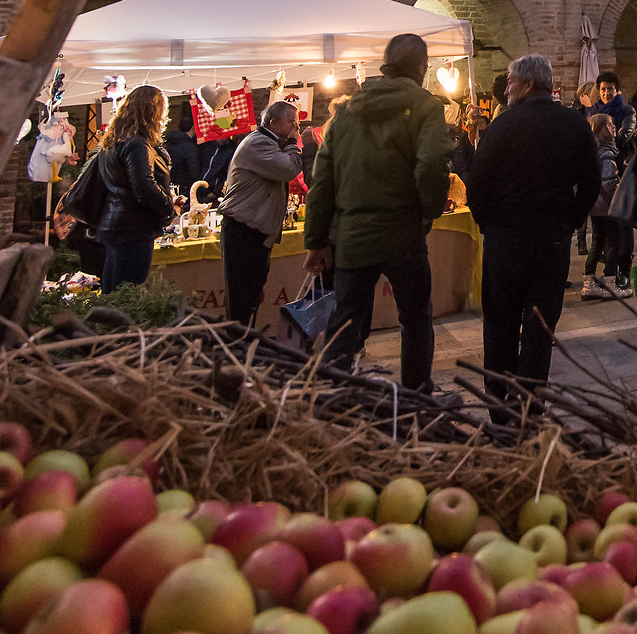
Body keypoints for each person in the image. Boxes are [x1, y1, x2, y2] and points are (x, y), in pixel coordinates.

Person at [304, 33, 452, 390]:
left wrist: (317, 240)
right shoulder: (425, 105)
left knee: (345, 320)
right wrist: (428, 211)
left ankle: (334, 396)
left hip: (353, 233)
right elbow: (432, 163)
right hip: (403, 232)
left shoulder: (348, 111)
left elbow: (322, 180)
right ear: (421, 66)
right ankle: (416, 396)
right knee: (415, 319)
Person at [465, 55, 602, 400]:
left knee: (500, 327)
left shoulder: (500, 128)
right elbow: (590, 182)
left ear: (527, 84)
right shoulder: (573, 124)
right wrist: (570, 221)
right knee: (541, 328)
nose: (506, 89)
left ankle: (500, 406)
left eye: (510, 82)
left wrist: (488, 224)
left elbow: (477, 187)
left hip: (505, 239)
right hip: (550, 239)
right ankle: (530, 403)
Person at [218, 99, 303, 328]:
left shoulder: (268, 142)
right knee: (242, 299)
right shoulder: (259, 144)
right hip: (244, 231)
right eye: (292, 122)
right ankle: (237, 348)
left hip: (254, 230)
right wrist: (294, 143)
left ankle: (243, 344)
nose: (296, 126)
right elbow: (289, 169)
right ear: (274, 123)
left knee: (252, 295)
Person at [93, 85, 176, 292]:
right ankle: (118, 326)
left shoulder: (113, 141)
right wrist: (168, 207)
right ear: (153, 111)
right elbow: (144, 186)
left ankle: (106, 325)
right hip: (132, 227)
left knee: (113, 291)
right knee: (127, 291)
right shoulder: (137, 144)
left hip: (115, 224)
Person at [581, 112, 630, 299]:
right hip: (608, 206)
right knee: (612, 243)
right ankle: (610, 282)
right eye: (610, 125)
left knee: (597, 242)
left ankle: (589, 283)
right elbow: (609, 182)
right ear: (600, 129)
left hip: (595, 206)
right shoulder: (607, 153)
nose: (614, 127)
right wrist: (620, 196)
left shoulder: (592, 151)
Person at [164, 105, 200, 197]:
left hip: (172, 186)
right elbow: (193, 172)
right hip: (185, 188)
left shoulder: (170, 143)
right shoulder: (189, 147)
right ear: (193, 127)